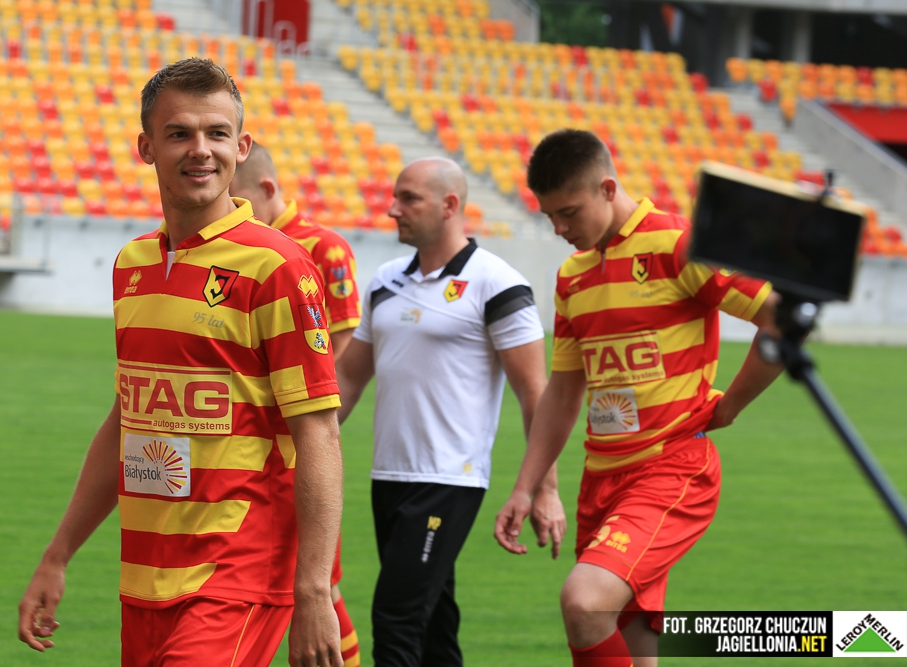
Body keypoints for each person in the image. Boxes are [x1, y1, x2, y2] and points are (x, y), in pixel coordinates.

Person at [17, 58, 345, 667]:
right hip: (145, 576)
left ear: (241, 147)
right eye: (179, 133)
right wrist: (57, 554)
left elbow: (319, 431)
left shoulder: (277, 268)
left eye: (217, 133)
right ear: (146, 147)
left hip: (237, 573)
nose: (201, 150)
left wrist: (314, 590)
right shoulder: (132, 264)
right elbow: (128, 418)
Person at [494, 129, 782, 667]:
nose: (559, 229)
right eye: (550, 217)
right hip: (601, 481)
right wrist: (525, 487)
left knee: (584, 603)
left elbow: (779, 318)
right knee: (631, 644)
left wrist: (730, 406)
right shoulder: (572, 277)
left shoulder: (678, 245)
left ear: (607, 188)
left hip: (670, 470)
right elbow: (563, 392)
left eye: (569, 213)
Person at [336, 156, 566, 667]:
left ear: (449, 205)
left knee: (396, 620)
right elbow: (348, 377)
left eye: (408, 198)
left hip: (448, 481)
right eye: (395, 197)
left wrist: (544, 489)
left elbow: (535, 392)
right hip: (387, 476)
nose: (393, 209)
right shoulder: (385, 281)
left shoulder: (497, 284)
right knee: (434, 629)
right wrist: (296, 443)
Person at [231, 142, 362, 667]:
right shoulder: (236, 247)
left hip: (300, 437)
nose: (230, 210)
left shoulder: (324, 246)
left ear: (266, 189)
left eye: (237, 199)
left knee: (319, 584)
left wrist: (306, 404)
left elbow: (345, 335)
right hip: (251, 443)